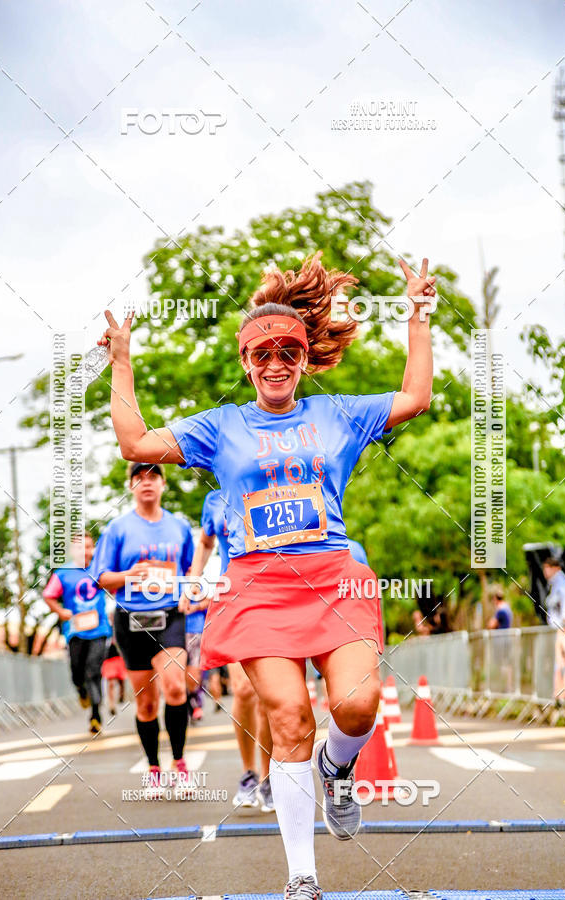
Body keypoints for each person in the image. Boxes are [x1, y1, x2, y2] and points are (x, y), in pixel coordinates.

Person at [99, 252, 435, 899]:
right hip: (257, 591)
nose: (276, 363)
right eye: (263, 354)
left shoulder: (337, 414)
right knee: (288, 715)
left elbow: (416, 397)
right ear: (247, 362)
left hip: (335, 579)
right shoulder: (220, 427)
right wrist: (121, 360)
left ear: (304, 357)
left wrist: (417, 314)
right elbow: (136, 443)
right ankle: (301, 875)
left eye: (288, 350)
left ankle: (337, 768)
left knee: (358, 703)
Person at [91, 462, 194, 784]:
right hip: (130, 619)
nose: (146, 482)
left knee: (176, 687)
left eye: (153, 477)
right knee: (146, 704)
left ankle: (179, 762)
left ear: (163, 485)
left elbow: (189, 568)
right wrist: (128, 576)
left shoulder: (179, 527)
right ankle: (153, 768)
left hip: (170, 615)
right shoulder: (117, 529)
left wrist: (190, 590)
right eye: (139, 478)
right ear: (131, 486)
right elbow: (100, 578)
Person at [189, 488, 274, 812]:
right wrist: (192, 580)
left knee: (269, 694)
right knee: (242, 691)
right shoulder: (212, 500)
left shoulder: (265, 481)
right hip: (234, 600)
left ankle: (268, 779)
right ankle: (248, 774)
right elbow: (206, 542)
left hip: (271, 596)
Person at [43, 531, 111, 733]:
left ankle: (96, 714)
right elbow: (48, 595)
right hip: (74, 631)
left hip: (99, 629)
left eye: (89, 547)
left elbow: (116, 586)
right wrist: (60, 611)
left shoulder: (101, 570)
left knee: (93, 670)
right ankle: (82, 691)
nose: (86, 551)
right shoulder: (62, 573)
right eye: (81, 547)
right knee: (77, 672)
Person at [543, 557, 565, 632]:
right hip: (562, 627)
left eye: (548, 568)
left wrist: (564, 624)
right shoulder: (554, 583)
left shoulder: (562, 583)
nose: (545, 571)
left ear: (556, 568)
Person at [101, 635, 128, 717]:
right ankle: (111, 705)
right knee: (111, 683)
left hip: (119, 658)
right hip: (108, 659)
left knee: (121, 681)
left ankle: (121, 695)